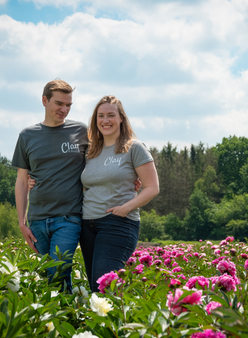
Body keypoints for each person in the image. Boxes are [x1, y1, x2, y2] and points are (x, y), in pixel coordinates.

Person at [12, 79, 87, 291]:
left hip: (69, 217)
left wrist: (131, 172)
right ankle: (65, 317)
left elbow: (106, 152)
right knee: (47, 277)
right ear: (44, 101)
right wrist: (21, 221)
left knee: (59, 270)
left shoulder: (81, 131)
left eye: (68, 105)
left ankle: (66, 318)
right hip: (37, 220)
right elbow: (20, 180)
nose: (64, 109)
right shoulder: (27, 136)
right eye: (59, 103)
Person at [80, 95, 159, 293]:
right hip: (87, 225)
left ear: (121, 118)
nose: (105, 120)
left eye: (110, 115)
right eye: (100, 116)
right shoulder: (90, 151)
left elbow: (152, 187)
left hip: (118, 223)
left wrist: (126, 208)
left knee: (103, 288)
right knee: (94, 287)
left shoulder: (134, 147)